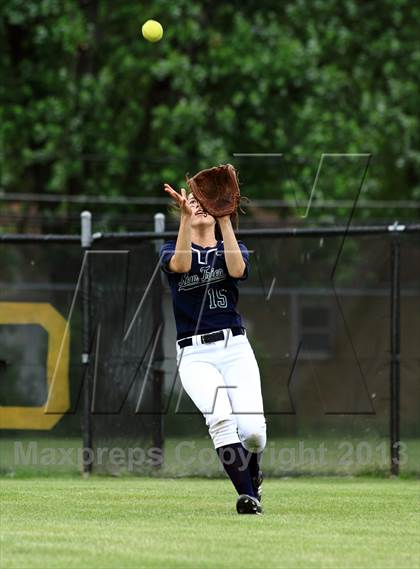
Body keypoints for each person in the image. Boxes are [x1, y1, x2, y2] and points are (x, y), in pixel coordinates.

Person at [160, 180, 266, 515]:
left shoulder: (231, 248)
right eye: (194, 201)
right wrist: (184, 219)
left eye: (207, 202)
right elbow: (181, 265)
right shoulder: (171, 250)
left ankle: (253, 474)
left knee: (253, 434)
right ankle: (248, 497)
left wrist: (224, 218)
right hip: (194, 355)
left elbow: (237, 269)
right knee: (220, 418)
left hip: (234, 348)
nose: (200, 205)